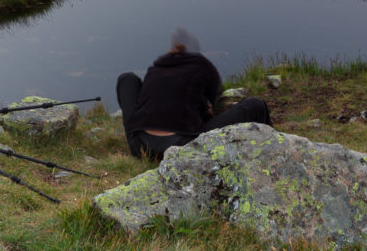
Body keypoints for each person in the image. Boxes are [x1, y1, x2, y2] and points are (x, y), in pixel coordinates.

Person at [116, 27, 272, 160]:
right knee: (255, 104)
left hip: (140, 147)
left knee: (127, 78)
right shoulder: (203, 68)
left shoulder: (156, 69)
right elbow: (211, 110)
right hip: (182, 146)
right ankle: (276, 145)